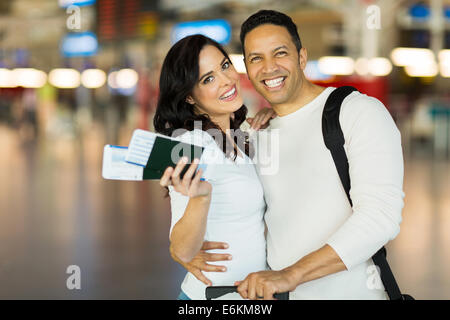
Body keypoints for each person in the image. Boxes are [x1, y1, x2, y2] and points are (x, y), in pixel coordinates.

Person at [182, 10, 405, 300]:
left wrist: (290, 275)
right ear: (247, 69)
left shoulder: (358, 112)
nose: (269, 68)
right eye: (256, 58)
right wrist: (184, 251)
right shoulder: (254, 134)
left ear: (301, 57)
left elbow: (381, 217)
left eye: (280, 53)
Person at [154, 34, 275, 300]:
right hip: (213, 296)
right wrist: (200, 197)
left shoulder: (240, 135)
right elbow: (182, 250)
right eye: (208, 79)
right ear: (189, 97)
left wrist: (273, 115)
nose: (226, 80)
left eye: (224, 66)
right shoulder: (193, 142)